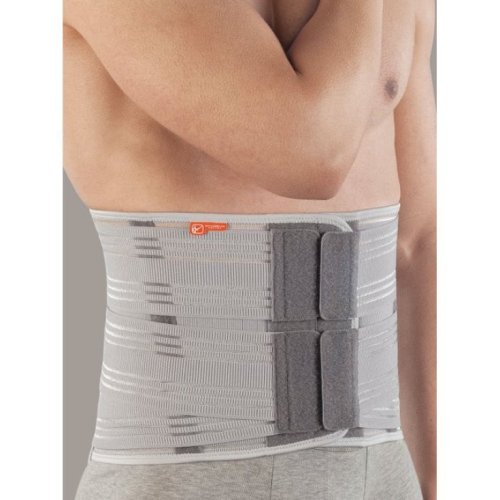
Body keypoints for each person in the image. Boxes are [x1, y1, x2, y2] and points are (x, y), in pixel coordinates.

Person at [64, 0, 436, 498]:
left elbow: (417, 243)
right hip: (184, 480)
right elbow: (314, 154)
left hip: (383, 473)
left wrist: (437, 476)